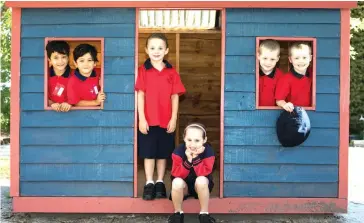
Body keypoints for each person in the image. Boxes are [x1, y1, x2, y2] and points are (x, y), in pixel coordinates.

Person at [135, 33, 186, 200]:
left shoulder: (172, 72)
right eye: (152, 48)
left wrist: (174, 118)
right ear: (146, 50)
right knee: (149, 153)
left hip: (166, 120)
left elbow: (175, 96)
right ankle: (149, 182)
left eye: (160, 48)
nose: (156, 51)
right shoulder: (142, 71)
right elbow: (140, 95)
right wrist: (141, 118)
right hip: (148, 120)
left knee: (163, 153)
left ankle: (160, 182)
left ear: (166, 50)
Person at [168, 123, 216, 223]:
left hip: (200, 188)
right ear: (184, 138)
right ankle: (178, 213)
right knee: (176, 181)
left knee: (201, 180)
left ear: (204, 140)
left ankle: (204, 214)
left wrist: (195, 158)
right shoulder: (178, 151)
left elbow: (204, 173)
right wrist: (188, 160)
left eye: (197, 140)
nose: (193, 144)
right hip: (183, 187)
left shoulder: (209, 152)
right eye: (189, 140)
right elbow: (176, 174)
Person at [275, 42, 313, 112]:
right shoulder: (285, 79)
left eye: (304, 57)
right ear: (290, 59)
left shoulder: (313, 74)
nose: (301, 61)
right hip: (294, 115)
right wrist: (285, 104)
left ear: (310, 58)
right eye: (296, 58)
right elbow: (279, 100)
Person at [46, 40, 72, 112]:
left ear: (68, 58)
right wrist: (51, 103)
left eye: (63, 57)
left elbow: (81, 96)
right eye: (56, 58)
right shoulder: (45, 75)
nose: (60, 61)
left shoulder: (75, 75)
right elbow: (40, 96)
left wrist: (70, 103)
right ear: (49, 60)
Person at [257, 39, 284, 106]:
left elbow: (281, 98)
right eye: (265, 58)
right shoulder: (252, 73)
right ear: (258, 56)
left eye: (272, 59)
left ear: (277, 59)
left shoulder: (281, 76)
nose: (268, 62)